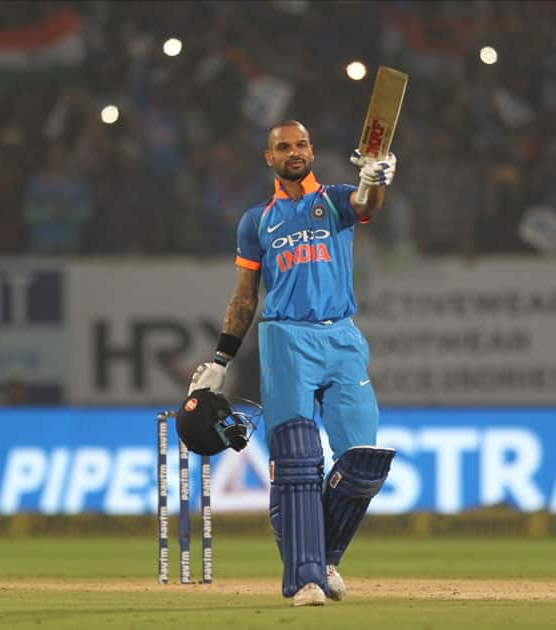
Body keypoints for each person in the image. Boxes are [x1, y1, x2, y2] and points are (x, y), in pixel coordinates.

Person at [186, 120, 397, 606]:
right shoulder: (257, 221)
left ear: (312, 150)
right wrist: (222, 359)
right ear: (269, 157)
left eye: (301, 144)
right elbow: (244, 297)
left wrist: (374, 179)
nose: (294, 152)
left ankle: (324, 558)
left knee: (363, 461)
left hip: (342, 336)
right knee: (299, 459)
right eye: (284, 147)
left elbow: (367, 206)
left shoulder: (339, 199)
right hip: (285, 338)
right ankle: (305, 579)